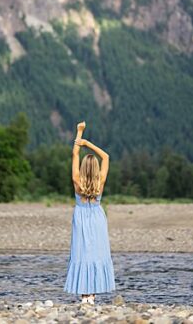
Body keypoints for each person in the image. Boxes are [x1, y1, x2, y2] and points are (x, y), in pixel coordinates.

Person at [64, 121, 116, 304]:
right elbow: (106, 157)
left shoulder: (77, 180)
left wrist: (79, 134)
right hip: (97, 216)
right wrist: (88, 144)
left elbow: (74, 153)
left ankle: (84, 295)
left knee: (81, 252)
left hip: (80, 215)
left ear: (83, 168)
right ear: (95, 170)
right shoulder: (100, 181)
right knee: (96, 252)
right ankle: (92, 295)